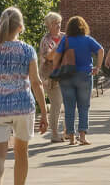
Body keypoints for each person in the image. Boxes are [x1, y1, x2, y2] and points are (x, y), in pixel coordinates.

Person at [0, 7, 48, 185]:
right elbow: (36, 82)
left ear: (1, 25)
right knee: (21, 152)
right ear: (21, 27)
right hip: (23, 106)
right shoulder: (27, 50)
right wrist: (44, 112)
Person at [55, 15, 104, 145]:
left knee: (69, 107)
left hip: (66, 76)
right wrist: (98, 67)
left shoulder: (65, 40)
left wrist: (55, 71)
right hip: (84, 76)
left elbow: (57, 55)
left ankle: (71, 138)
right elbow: (100, 50)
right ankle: (82, 137)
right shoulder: (87, 39)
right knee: (83, 107)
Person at [38, 11, 65, 142]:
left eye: (59, 22)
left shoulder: (65, 36)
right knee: (57, 104)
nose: (58, 25)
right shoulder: (46, 40)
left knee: (67, 105)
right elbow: (49, 56)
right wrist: (60, 46)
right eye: (55, 23)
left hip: (66, 75)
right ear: (49, 26)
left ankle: (66, 132)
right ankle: (54, 134)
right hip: (50, 77)